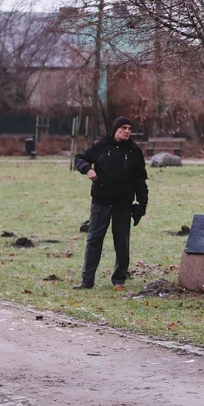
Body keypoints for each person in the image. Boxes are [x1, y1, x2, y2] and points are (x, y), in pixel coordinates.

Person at [73, 116, 148, 290]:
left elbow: (140, 180)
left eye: (129, 128)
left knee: (122, 242)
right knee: (94, 240)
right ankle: (87, 280)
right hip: (101, 202)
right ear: (115, 129)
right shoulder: (101, 146)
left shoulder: (134, 151)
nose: (127, 131)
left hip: (123, 204)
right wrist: (88, 169)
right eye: (123, 128)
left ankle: (119, 279)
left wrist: (142, 205)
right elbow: (79, 158)